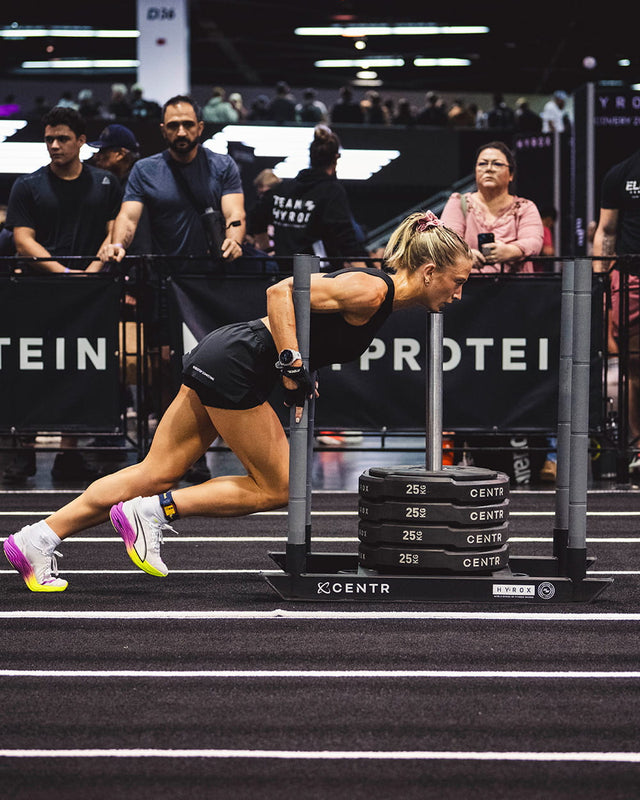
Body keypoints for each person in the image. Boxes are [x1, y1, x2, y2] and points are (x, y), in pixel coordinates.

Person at [2, 210, 473, 592]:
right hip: (237, 362)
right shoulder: (372, 290)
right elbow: (281, 292)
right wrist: (291, 361)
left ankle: (36, 539)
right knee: (279, 486)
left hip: (227, 354)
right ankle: (153, 512)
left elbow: (310, 326)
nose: (458, 294)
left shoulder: (380, 299)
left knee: (154, 471)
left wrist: (303, 366)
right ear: (429, 271)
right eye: (457, 281)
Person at [102, 94, 246, 483]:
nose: (180, 131)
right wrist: (118, 244)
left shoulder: (221, 165)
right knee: (169, 371)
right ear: (163, 130)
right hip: (165, 286)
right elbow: (128, 218)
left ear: (200, 127)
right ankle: (178, 455)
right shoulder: (146, 170)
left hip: (210, 285)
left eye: (187, 124)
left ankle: (204, 449)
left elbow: (235, 212)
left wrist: (234, 239)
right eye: (173, 125)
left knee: (215, 367)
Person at [3, 106, 124, 484]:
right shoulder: (28, 185)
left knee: (80, 371)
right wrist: (67, 274)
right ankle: (23, 452)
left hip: (89, 296)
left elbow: (113, 233)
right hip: (37, 294)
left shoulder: (105, 183)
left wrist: (91, 273)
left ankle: (68, 454)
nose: (54, 145)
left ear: (81, 141)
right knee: (31, 372)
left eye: (63, 139)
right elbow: (23, 241)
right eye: (49, 139)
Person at [249, 124, 367, 269]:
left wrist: (266, 249)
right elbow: (345, 237)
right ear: (336, 158)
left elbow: (256, 218)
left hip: (283, 273)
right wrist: (365, 272)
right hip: (319, 275)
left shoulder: (282, 189)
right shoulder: (331, 191)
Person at [593, 148, 640, 468]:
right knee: (635, 368)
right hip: (631, 279)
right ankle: (638, 447)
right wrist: (600, 284)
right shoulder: (622, 173)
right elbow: (607, 231)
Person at [440, 140, 544, 273]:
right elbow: (446, 242)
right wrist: (465, 254)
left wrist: (512, 250)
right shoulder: (458, 203)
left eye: (497, 164)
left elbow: (534, 241)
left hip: (515, 284)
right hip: (468, 283)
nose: (488, 169)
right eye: (482, 164)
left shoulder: (525, 207)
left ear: (511, 175)